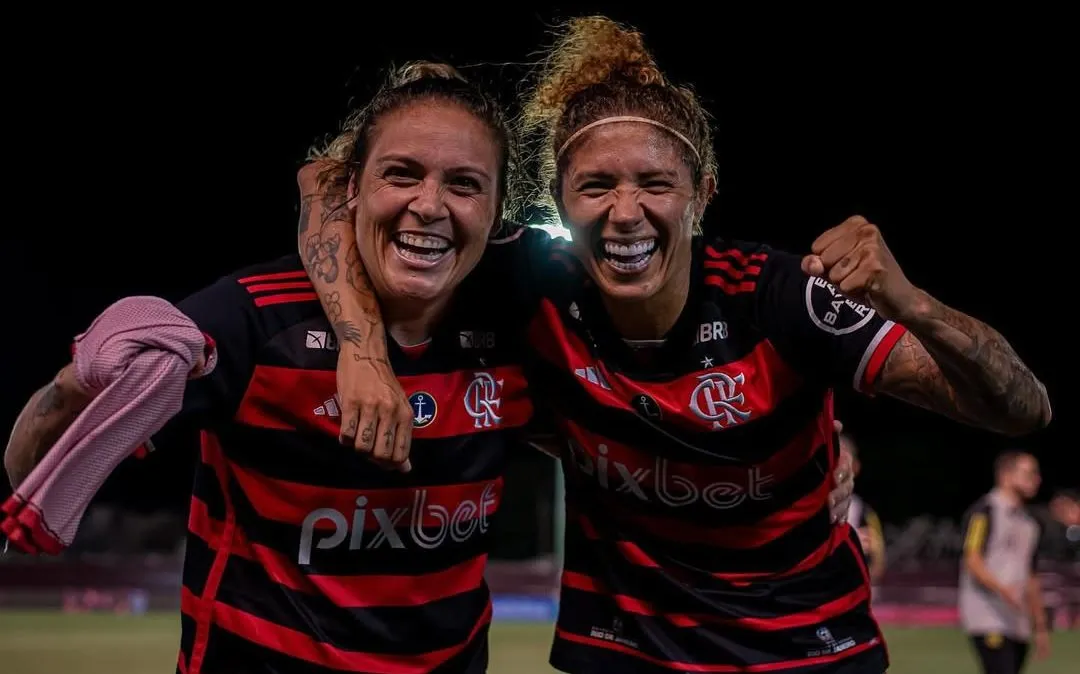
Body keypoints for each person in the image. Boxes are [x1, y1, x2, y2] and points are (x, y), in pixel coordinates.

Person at [303, 16, 1050, 673]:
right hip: (625, 649)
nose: (625, 213)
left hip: (804, 649)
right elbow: (326, 182)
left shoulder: (782, 295)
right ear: (557, 198)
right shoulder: (532, 281)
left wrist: (912, 303)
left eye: (655, 185)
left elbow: (1020, 409)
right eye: (595, 187)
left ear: (703, 193)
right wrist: (361, 350)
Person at [4, 61, 539, 674]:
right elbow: (30, 470)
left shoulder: (518, 327)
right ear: (352, 190)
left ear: (500, 212)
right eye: (401, 174)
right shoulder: (254, 319)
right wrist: (80, 380)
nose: (429, 204)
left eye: (465, 184)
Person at [960, 451, 1051, 674]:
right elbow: (972, 559)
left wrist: (1040, 626)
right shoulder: (984, 511)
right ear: (1006, 476)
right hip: (988, 615)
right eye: (1029, 473)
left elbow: (1031, 575)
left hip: (1017, 621)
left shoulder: (1030, 523)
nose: (1036, 479)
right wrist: (1002, 590)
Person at [839, 430, 887, 585]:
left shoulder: (865, 513)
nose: (838, 468)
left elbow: (878, 567)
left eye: (844, 461)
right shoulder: (804, 508)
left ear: (856, 467)